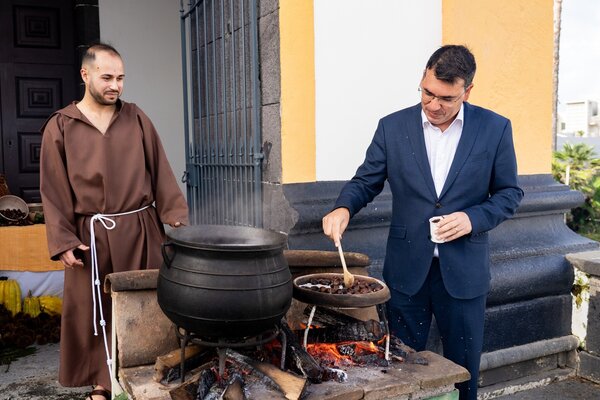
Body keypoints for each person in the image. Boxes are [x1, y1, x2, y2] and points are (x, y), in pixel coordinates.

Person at [322, 45, 523, 400]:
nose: (433, 105)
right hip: (406, 273)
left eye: (446, 98)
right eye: (427, 92)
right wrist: (343, 208)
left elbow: (509, 193)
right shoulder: (392, 127)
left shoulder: (495, 128)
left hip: (464, 274)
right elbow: (366, 181)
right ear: (422, 79)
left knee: (463, 373)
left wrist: (472, 218)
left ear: (467, 91)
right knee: (400, 370)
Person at [40, 43, 189, 400]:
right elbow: (53, 190)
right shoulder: (61, 126)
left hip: (140, 230)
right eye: (107, 77)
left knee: (148, 304)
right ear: (85, 74)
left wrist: (176, 217)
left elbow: (160, 169)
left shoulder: (136, 118)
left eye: (120, 78)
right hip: (90, 236)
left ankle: (151, 375)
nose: (115, 85)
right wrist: (62, 241)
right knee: (94, 310)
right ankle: (102, 383)